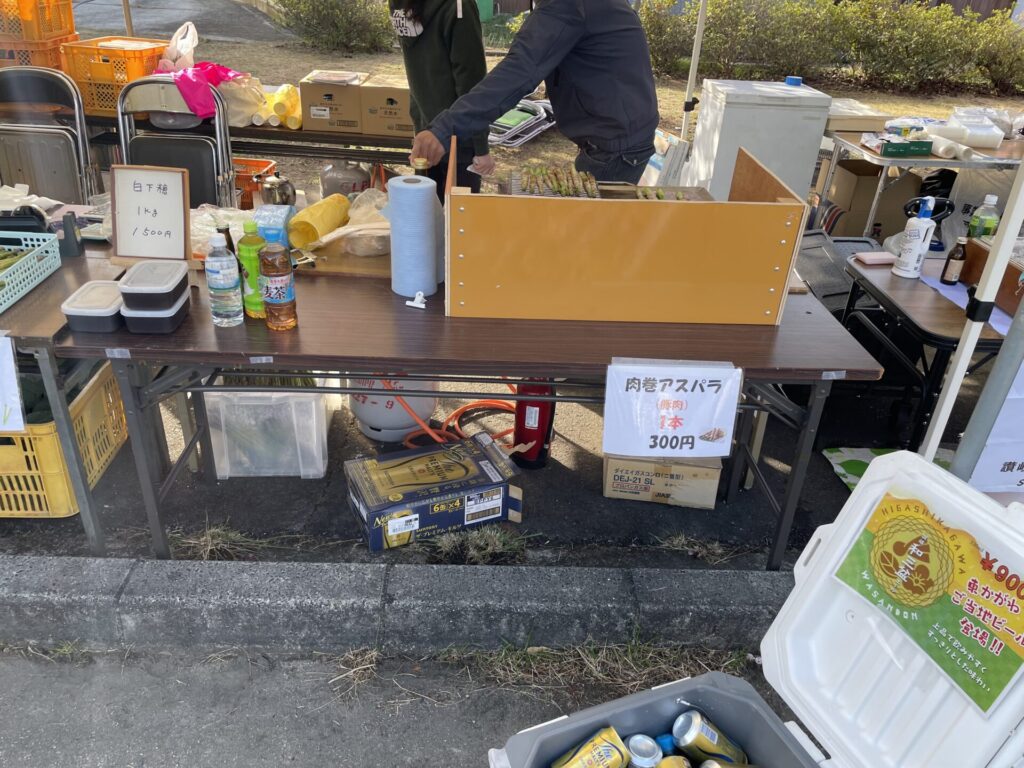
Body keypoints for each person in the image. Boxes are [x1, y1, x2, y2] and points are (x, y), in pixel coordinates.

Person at [410, 0, 659, 184]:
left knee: (587, 244)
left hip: (616, 148)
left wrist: (444, 128)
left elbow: (518, 73)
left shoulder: (567, 6)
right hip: (618, 138)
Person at [390, 0, 495, 201]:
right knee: (459, 223)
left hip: (424, 129)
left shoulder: (400, 3)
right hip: (459, 133)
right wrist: (480, 146)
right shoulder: (458, 6)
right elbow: (471, 81)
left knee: (426, 217)